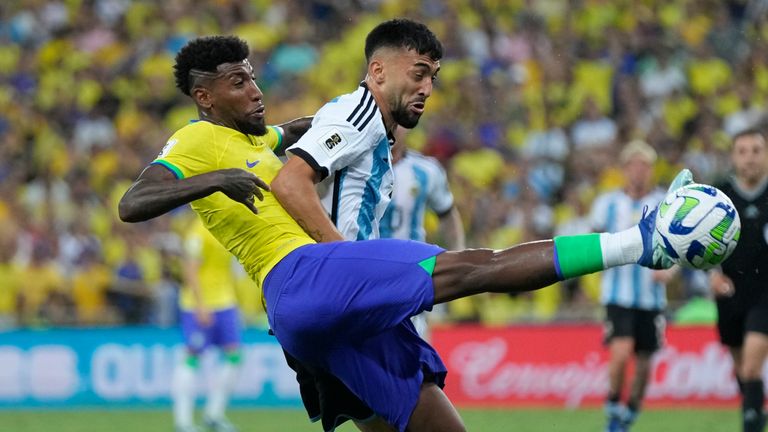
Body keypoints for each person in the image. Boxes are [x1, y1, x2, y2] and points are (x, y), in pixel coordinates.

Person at [118, 30, 687, 432]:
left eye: (254, 77)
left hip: (311, 319)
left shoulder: (255, 141)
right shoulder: (194, 143)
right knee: (474, 266)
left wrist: (362, 112)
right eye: (238, 82)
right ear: (204, 97)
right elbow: (133, 202)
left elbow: (296, 130)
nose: (255, 89)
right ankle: (641, 242)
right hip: (303, 275)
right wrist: (212, 180)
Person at [589, 140, 675, 432]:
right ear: (625, 169)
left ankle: (631, 410)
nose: (639, 171)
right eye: (634, 165)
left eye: (645, 166)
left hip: (651, 298)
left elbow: (679, 247)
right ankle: (613, 409)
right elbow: (592, 240)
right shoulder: (608, 203)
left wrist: (669, 272)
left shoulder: (666, 203)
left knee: (643, 365)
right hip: (618, 294)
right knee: (620, 352)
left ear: (651, 170)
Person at [710, 128, 768, 432]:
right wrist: (711, 275)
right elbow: (698, 245)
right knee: (742, 370)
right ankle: (755, 411)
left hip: (766, 294)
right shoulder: (718, 197)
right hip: (730, 292)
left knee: (751, 365)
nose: (750, 158)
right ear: (733, 157)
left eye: (756, 151)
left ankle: (751, 425)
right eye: (743, 151)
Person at [380, 129, 465, 336]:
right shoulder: (357, 166)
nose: (392, 129)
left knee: (415, 341)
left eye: (398, 123)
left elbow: (447, 213)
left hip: (412, 272)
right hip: (369, 271)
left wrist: (459, 255)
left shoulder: (427, 170)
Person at [172, 218, 243, 432]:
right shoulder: (197, 231)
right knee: (192, 356)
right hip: (198, 304)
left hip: (225, 302)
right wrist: (200, 305)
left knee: (235, 356)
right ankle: (183, 421)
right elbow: (190, 270)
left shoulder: (226, 227)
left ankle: (214, 414)